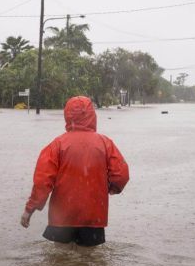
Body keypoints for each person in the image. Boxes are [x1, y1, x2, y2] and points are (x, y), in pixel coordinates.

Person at [20, 96, 129, 247]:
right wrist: (111, 188)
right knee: (90, 262)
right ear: (92, 115)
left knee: (60, 260)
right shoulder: (105, 143)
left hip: (62, 217)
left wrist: (29, 209)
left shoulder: (57, 145)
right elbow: (121, 175)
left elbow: (42, 182)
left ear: (67, 115)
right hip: (93, 217)